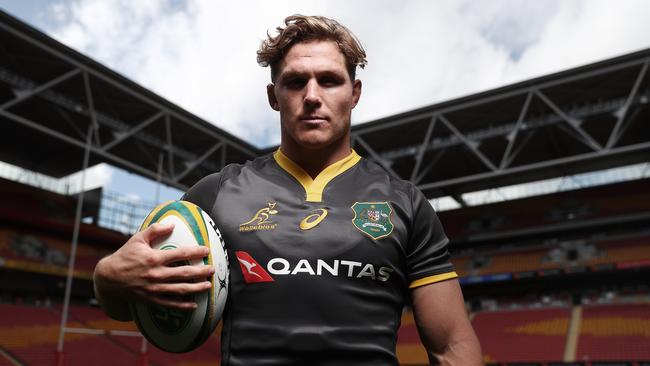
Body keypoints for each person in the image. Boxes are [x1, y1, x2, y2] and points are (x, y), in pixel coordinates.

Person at [93, 14, 482, 365]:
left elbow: (452, 347)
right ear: (273, 96)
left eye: (329, 80)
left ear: (355, 93)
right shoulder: (217, 194)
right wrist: (108, 275)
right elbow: (129, 303)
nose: (312, 96)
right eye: (296, 82)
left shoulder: (405, 203)